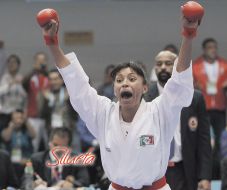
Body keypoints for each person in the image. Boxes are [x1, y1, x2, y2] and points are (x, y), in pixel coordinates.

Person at [38, 6, 200, 189]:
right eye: (119, 80)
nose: (125, 83)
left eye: (132, 79)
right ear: (114, 89)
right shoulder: (103, 113)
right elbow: (78, 86)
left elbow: (179, 82)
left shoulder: (160, 111)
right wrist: (52, 42)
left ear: (145, 87)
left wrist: (188, 35)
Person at [145, 50, 212, 190]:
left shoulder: (195, 98)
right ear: (155, 68)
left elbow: (204, 140)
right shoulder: (144, 98)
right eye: (159, 64)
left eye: (168, 63)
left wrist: (205, 176)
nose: (163, 67)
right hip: (153, 170)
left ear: (177, 68)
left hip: (185, 167)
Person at [193, 38, 227, 178]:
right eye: (210, 47)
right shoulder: (196, 66)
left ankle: (218, 174)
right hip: (202, 108)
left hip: (220, 108)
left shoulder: (225, 65)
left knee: (220, 141)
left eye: (215, 47)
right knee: (204, 140)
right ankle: (203, 174)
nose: (213, 49)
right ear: (204, 49)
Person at [23, 127, 90, 188]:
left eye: (62, 146)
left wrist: (72, 184)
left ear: (69, 147)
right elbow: (25, 179)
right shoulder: (35, 159)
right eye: (55, 145)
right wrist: (33, 184)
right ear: (49, 143)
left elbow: (85, 181)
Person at [23, 52, 49, 152]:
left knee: (50, 145)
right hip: (33, 117)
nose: (41, 62)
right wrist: (34, 70)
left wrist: (45, 71)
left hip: (47, 119)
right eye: (39, 60)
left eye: (43, 60)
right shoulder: (31, 77)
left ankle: (52, 167)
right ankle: (31, 167)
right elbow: (23, 83)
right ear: (35, 62)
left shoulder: (49, 77)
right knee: (33, 145)